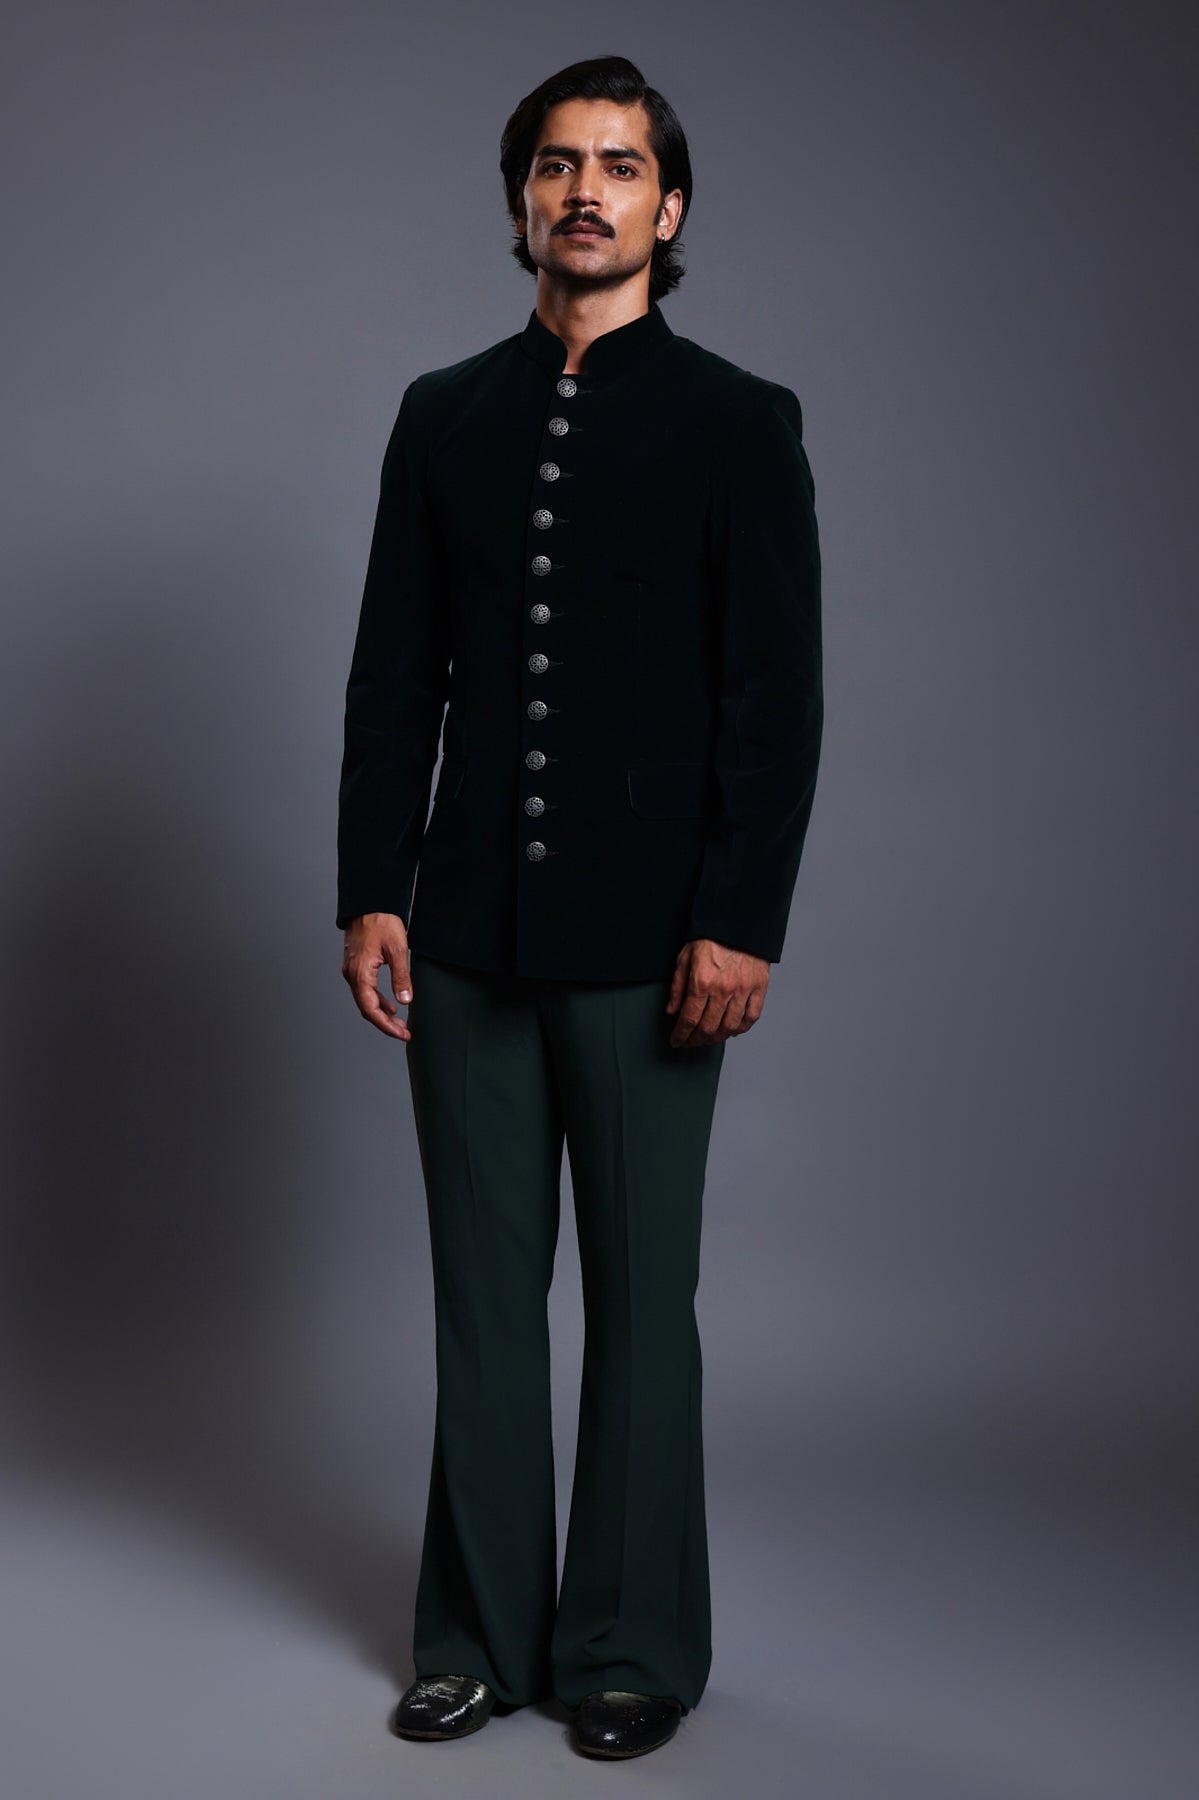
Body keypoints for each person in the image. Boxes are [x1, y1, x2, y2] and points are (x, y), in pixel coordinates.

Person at [336, 53, 823, 1761]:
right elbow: (395, 673)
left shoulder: (737, 419)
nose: (585, 191)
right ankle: (474, 1634)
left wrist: (742, 915)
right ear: (521, 200)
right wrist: (370, 888)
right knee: (482, 1305)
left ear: (667, 208)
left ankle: (627, 1644)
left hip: (654, 946)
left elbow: (776, 695)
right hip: (464, 931)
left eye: (619, 165)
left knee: (638, 1307)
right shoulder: (443, 412)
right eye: (557, 164)